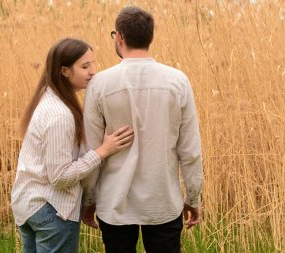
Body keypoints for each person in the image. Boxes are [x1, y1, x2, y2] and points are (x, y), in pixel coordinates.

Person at [80, 6, 204, 253]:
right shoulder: (177, 81)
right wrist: (193, 197)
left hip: (115, 202)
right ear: (151, 37)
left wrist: (89, 199)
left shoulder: (100, 84)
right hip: (162, 201)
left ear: (120, 38)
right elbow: (190, 150)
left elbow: (92, 148)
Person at [10, 38, 134, 253]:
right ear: (65, 71)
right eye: (85, 66)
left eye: (93, 64)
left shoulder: (46, 97)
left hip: (28, 205)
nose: (93, 72)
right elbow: (59, 178)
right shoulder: (60, 115)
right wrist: (103, 151)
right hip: (51, 209)